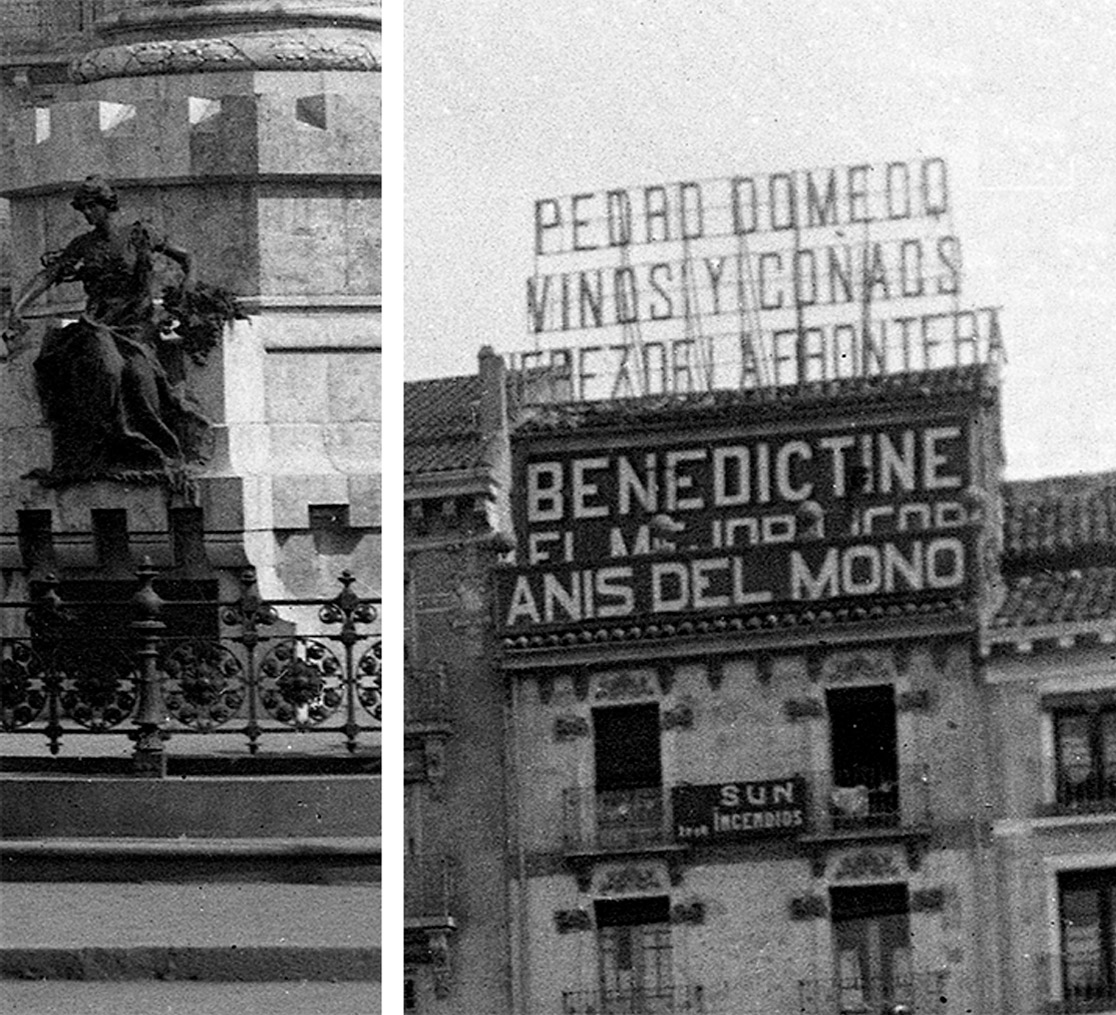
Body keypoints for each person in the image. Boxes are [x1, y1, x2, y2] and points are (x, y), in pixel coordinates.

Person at [3, 175, 204, 474]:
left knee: (139, 375)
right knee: (109, 368)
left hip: (136, 325)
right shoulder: (83, 245)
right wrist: (17, 308)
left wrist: (186, 292)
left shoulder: (140, 234)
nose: (86, 214)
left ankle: (152, 450)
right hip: (97, 324)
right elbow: (48, 276)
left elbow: (187, 258)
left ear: (106, 205)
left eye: (90, 207)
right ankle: (107, 443)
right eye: (82, 208)